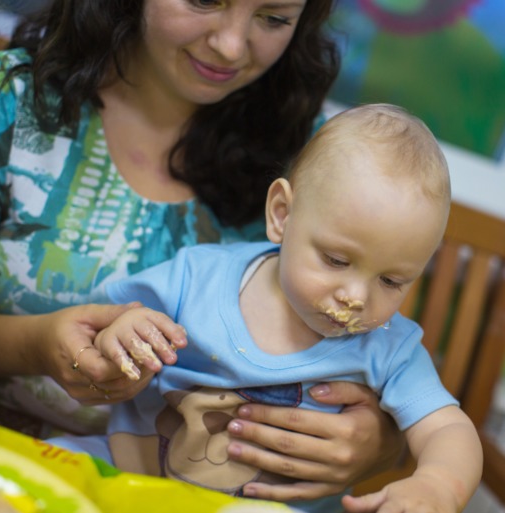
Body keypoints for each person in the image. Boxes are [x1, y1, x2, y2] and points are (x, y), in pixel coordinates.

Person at [0, 0, 404, 502]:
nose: (229, 46)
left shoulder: (321, 162)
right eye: (205, 0)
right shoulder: (12, 106)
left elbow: (383, 358)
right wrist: (35, 345)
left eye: (273, 18)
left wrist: (380, 441)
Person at [52, 104, 483, 513]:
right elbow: (96, 331)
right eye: (336, 260)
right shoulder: (198, 278)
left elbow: (448, 429)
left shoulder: (389, 347)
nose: (356, 297)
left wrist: (439, 483)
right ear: (282, 214)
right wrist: (122, 334)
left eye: (391, 281)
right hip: (129, 484)